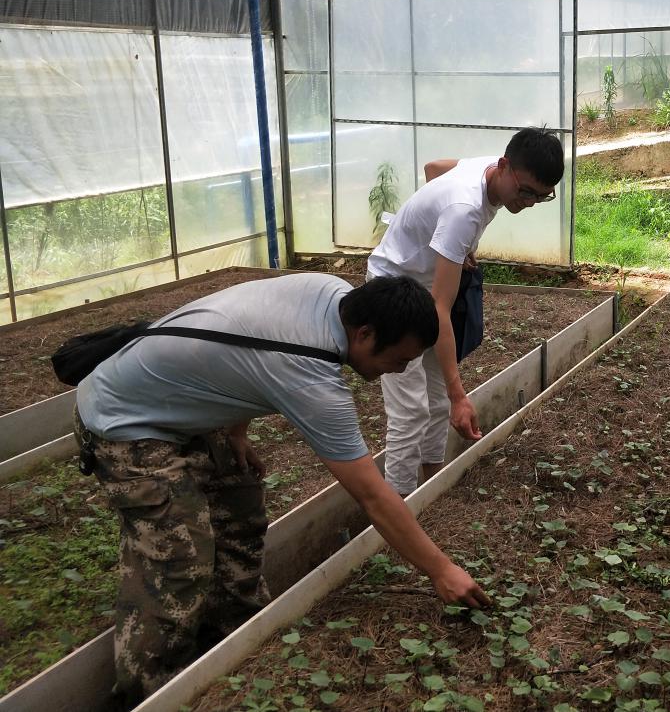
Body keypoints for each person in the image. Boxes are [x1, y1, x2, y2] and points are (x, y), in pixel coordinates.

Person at [74, 273, 491, 704]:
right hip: (122, 420)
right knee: (178, 556)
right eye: (399, 359)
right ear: (365, 334)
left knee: (240, 505)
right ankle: (152, 690)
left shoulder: (332, 293)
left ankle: (236, 632)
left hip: (171, 399)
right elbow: (372, 496)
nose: (401, 370)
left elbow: (247, 338)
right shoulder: (310, 377)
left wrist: (236, 429)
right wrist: (441, 570)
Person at [369, 127, 565, 496]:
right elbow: (439, 311)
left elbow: (433, 168)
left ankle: (432, 484)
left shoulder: (489, 171)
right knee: (410, 410)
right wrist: (461, 397)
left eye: (542, 196)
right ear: (504, 166)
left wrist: (453, 245)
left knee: (435, 400)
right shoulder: (464, 210)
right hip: (392, 290)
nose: (529, 202)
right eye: (525, 191)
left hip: (423, 285)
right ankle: (397, 507)